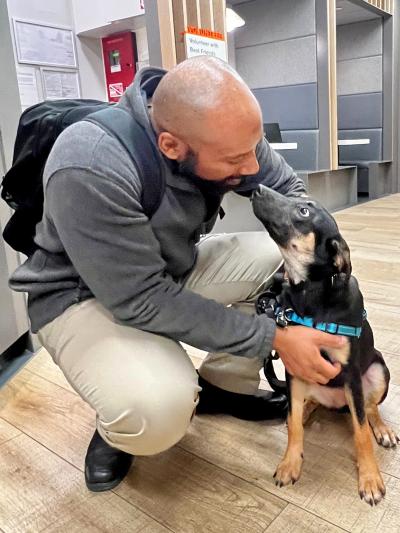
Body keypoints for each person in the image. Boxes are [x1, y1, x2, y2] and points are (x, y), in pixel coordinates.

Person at [9, 56, 343, 492]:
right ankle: (118, 424)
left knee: (282, 261)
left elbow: (292, 193)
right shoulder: (90, 163)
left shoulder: (226, 130)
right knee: (159, 410)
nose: (251, 170)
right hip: (83, 295)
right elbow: (141, 299)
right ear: (171, 146)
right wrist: (275, 338)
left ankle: (223, 386)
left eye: (252, 150)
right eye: (234, 160)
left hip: (166, 270)